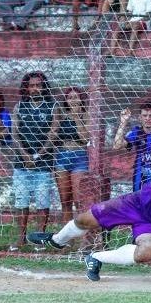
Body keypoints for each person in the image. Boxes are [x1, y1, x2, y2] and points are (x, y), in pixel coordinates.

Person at [9, 71, 57, 250]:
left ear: (44, 87)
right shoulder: (19, 106)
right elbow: (14, 134)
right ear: (26, 88)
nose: (35, 89)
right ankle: (20, 239)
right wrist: (25, 155)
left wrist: (37, 155)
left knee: (42, 203)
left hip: (43, 164)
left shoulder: (52, 106)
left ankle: (40, 240)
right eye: (32, 86)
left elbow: (53, 133)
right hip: (21, 164)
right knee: (21, 203)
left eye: (38, 85)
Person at [50, 87, 90, 224]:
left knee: (79, 200)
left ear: (81, 100)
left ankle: (82, 236)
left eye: (76, 97)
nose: (73, 100)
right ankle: (66, 238)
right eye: (70, 97)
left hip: (79, 157)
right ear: (66, 101)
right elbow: (52, 136)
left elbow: (85, 139)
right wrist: (54, 133)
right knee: (65, 200)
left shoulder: (86, 114)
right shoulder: (60, 115)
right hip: (62, 156)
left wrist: (76, 117)